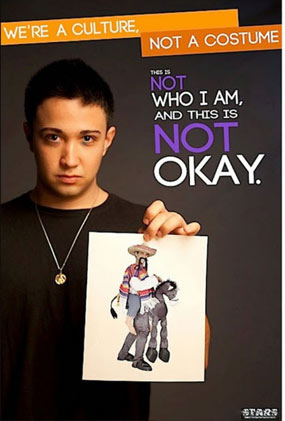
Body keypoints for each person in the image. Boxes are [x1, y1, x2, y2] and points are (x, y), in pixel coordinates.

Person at [0, 58, 205, 419]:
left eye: (87, 139)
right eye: (53, 137)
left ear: (107, 140)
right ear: (29, 136)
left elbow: (197, 358)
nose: (70, 158)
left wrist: (178, 259)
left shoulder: (147, 229)